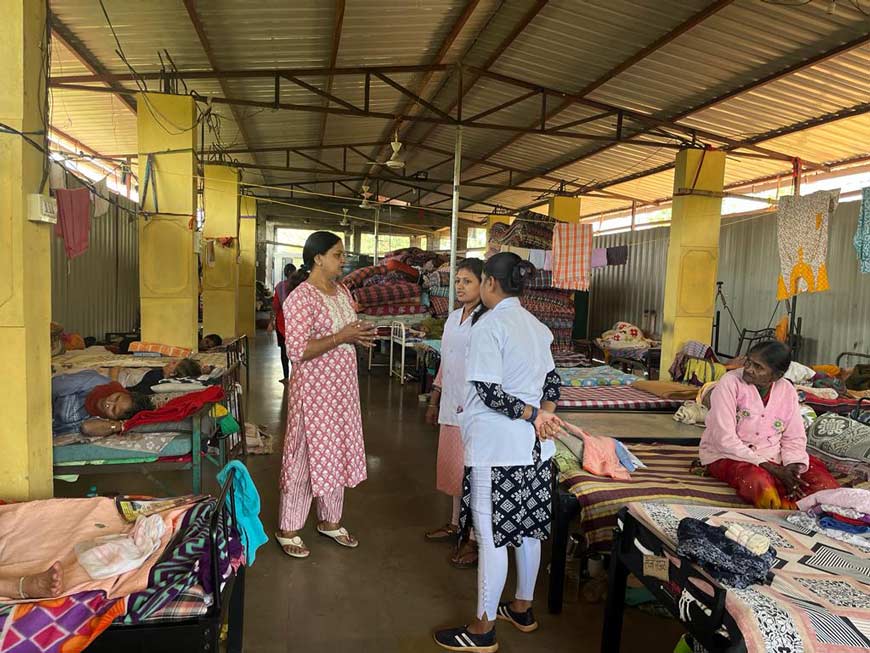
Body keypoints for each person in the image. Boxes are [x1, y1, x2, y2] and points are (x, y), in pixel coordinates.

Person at [434, 253, 564, 652]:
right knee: (526, 530)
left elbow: (489, 392)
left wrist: (530, 415)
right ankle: (522, 608)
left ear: (490, 282)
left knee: (491, 537)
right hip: (535, 451)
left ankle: (482, 629)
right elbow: (554, 383)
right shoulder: (537, 326)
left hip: (499, 449)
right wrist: (543, 416)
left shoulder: (489, 326)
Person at [275, 232, 377, 559]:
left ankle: (330, 521)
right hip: (314, 394)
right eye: (337, 254)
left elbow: (345, 330)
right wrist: (341, 336)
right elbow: (297, 350)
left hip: (343, 391)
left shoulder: (342, 291)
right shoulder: (301, 299)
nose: (342, 260)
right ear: (317, 258)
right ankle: (288, 528)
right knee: (305, 456)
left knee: (337, 452)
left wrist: (356, 337)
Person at [700, 340, 840, 510]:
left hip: (774, 455)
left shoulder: (787, 390)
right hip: (728, 455)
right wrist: (769, 467)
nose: (749, 368)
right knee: (759, 484)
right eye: (748, 362)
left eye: (758, 367)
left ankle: (798, 503)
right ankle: (788, 511)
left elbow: (794, 437)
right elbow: (724, 439)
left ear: (776, 376)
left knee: (825, 485)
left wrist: (792, 467)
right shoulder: (729, 383)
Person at [425, 259, 484, 569]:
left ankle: (474, 538)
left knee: (471, 474)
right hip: (450, 403)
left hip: (473, 408)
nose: (460, 286)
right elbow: (445, 363)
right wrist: (434, 399)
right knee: (451, 469)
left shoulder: (485, 322)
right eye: (458, 281)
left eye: (468, 281)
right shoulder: (452, 319)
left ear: (484, 284)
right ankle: (454, 523)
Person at [52, 370, 154, 438]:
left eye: (113, 410)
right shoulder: (92, 382)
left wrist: (118, 426)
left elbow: (87, 428)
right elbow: (50, 388)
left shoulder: (104, 421)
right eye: (116, 397)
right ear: (121, 392)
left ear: (116, 418)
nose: (108, 403)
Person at [268, 262, 297, 383]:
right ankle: (296, 376)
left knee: (284, 351)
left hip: (282, 325)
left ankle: (286, 377)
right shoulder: (300, 286)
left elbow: (275, 306)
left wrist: (271, 322)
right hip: (296, 324)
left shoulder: (280, 287)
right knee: (296, 351)